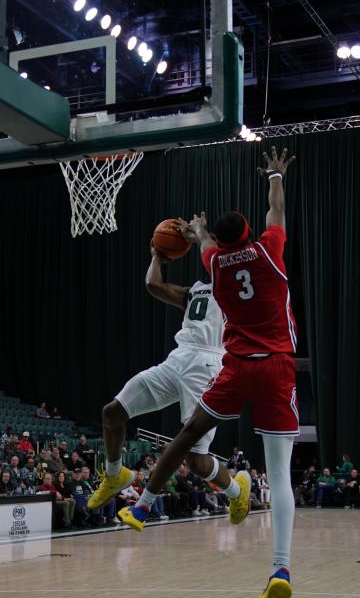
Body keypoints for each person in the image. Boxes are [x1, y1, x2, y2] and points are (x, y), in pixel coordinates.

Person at [120, 147, 297, 598]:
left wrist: (197, 232)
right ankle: (280, 571)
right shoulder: (269, 250)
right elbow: (276, 209)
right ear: (250, 234)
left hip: (234, 367)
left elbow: (208, 247)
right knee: (279, 474)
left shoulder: (216, 267)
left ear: (220, 242)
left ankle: (143, 505)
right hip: (275, 366)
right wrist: (275, 174)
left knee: (185, 435)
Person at [88, 238, 248, 520]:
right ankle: (115, 475)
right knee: (112, 413)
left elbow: (215, 251)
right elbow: (153, 285)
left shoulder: (235, 285)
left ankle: (237, 492)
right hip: (178, 359)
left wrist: (201, 234)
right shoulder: (196, 290)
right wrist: (158, 257)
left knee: (196, 461)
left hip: (208, 364)